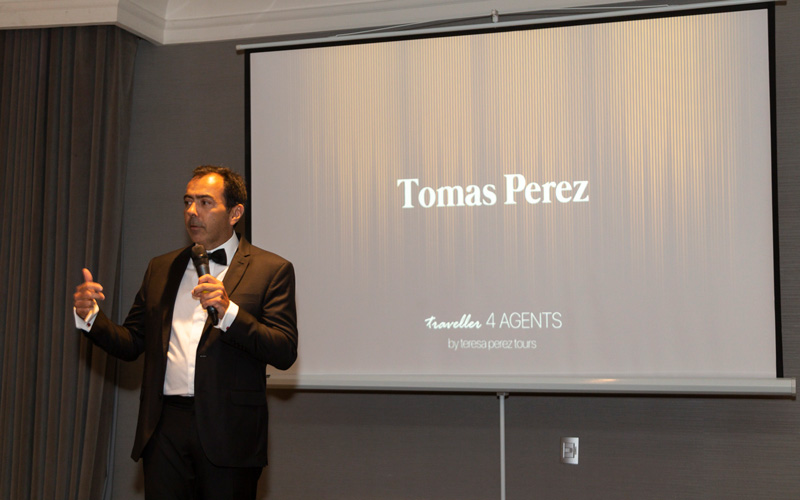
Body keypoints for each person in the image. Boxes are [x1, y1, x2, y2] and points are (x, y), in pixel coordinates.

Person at [73, 165, 298, 499]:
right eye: (188, 201)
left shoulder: (271, 270)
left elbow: (283, 350)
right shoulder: (161, 268)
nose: (192, 211)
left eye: (205, 202)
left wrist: (230, 313)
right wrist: (91, 317)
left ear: (235, 213)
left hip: (229, 432)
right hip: (164, 429)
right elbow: (132, 342)